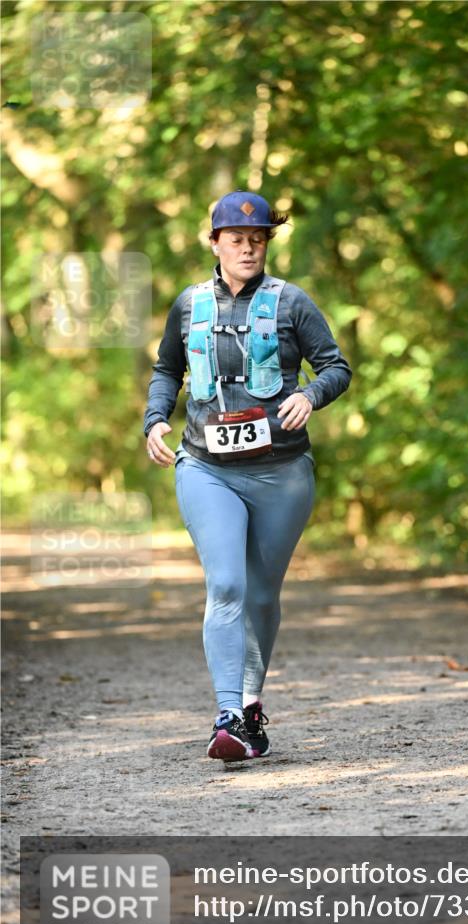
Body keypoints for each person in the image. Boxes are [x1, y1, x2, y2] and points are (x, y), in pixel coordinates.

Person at [143, 190, 352, 762]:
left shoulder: (291, 303)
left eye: (257, 239)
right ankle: (229, 715)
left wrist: (310, 395)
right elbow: (168, 369)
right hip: (206, 467)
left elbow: (336, 366)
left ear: (267, 244)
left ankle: (252, 705)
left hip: (282, 472)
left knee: (261, 592)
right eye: (236, 239)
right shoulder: (188, 306)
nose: (248, 248)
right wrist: (154, 419)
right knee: (227, 586)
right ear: (214, 242)